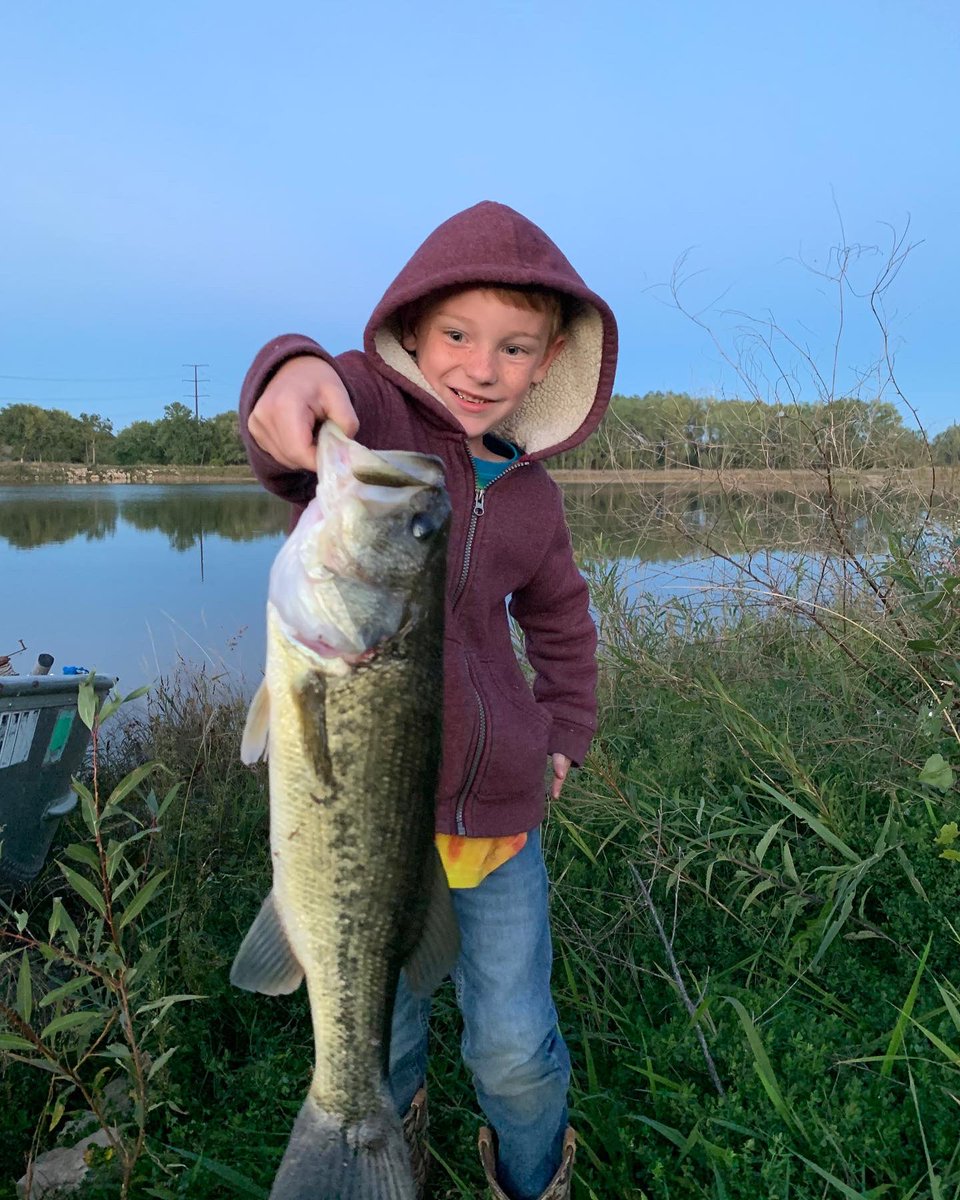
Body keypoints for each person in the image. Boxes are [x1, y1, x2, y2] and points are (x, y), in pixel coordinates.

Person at [239, 200, 618, 1200]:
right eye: (456, 334)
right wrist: (287, 369)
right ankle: (371, 1153)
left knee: (515, 1048)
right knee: (382, 1039)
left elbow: (564, 624)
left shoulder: (535, 498)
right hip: (374, 846)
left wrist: (565, 730)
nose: (480, 367)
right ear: (412, 329)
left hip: (498, 825)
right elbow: (299, 402)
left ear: (545, 363)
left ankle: (533, 1182)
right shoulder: (379, 432)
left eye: (513, 347)